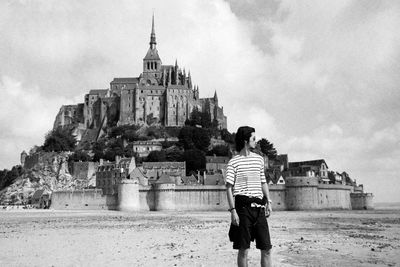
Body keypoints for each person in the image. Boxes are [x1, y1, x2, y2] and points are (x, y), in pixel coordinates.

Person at [226, 126, 273, 267]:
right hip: (242, 209)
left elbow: (263, 182)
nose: (255, 141)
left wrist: (268, 202)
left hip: (259, 208)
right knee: (243, 250)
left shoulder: (259, 160)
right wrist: (233, 211)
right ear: (246, 141)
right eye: (253, 138)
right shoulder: (233, 162)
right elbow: (229, 188)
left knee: (266, 249)